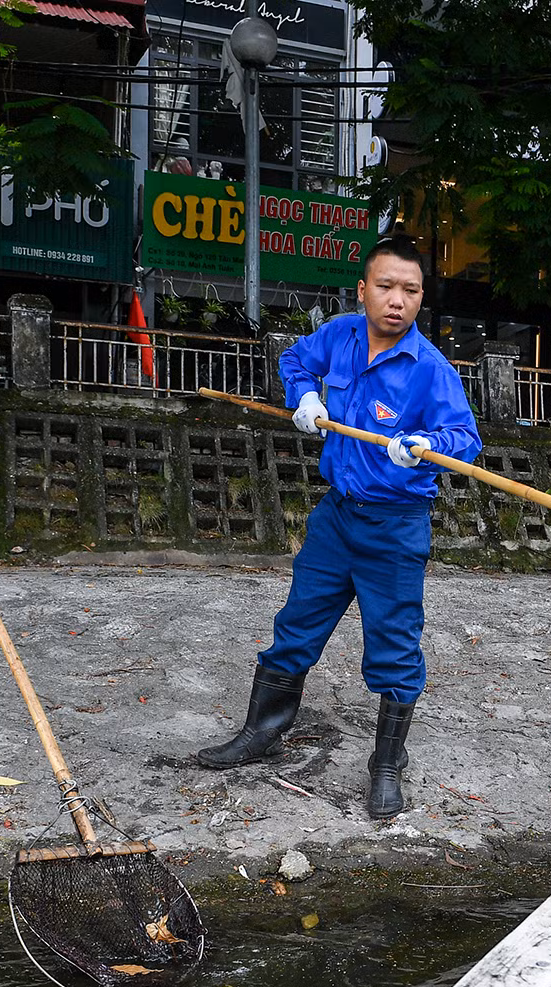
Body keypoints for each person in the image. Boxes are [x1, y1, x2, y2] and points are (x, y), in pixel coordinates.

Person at [196, 239, 482, 819]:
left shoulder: (431, 369)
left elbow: (466, 440)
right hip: (336, 516)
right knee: (297, 623)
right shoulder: (341, 335)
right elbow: (294, 360)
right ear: (362, 289)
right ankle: (262, 732)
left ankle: (386, 762)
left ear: (421, 297)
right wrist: (302, 394)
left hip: (396, 527)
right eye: (386, 286)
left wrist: (428, 445)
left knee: (395, 645)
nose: (397, 300)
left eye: (410, 290)